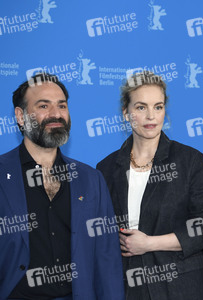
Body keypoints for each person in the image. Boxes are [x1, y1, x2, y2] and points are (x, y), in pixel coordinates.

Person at [0, 73, 124, 300]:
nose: (56, 114)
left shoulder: (90, 179)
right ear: (20, 116)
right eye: (43, 106)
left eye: (62, 106)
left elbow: (107, 258)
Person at [96, 71, 203, 299]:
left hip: (178, 286)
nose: (151, 116)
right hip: (126, 287)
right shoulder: (106, 167)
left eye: (158, 107)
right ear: (126, 113)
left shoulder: (189, 161)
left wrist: (149, 243)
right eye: (141, 107)